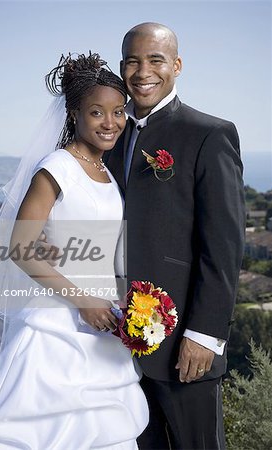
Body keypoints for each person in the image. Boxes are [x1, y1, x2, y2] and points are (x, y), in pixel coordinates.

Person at [0, 53, 148, 450]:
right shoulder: (56, 167)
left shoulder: (106, 170)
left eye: (118, 112)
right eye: (97, 112)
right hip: (55, 323)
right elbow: (20, 247)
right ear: (74, 114)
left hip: (104, 324)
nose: (111, 123)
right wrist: (82, 300)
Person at [104, 23, 246, 450]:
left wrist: (203, 334)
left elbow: (222, 244)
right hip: (113, 347)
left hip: (184, 342)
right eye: (132, 60)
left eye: (155, 60)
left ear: (177, 66)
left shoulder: (209, 134)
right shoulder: (107, 135)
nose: (142, 71)